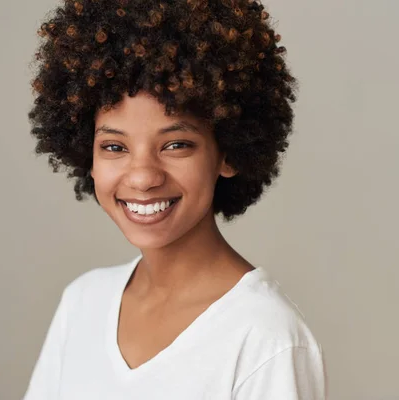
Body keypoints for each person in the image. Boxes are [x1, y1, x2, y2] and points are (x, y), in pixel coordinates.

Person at [24, 0, 327, 398]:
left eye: (177, 144)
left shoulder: (265, 338)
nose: (143, 176)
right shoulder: (83, 302)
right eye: (114, 147)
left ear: (229, 153)